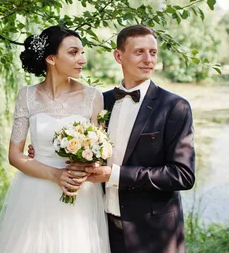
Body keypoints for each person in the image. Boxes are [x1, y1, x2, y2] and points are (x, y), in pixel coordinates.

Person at [69, 24, 196, 253]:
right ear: (118, 56)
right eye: (139, 52)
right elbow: (80, 147)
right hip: (103, 228)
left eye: (153, 52)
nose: (149, 59)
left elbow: (182, 175)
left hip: (154, 233)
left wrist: (115, 174)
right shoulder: (101, 102)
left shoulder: (175, 107)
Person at [0, 25, 110, 253]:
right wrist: (55, 175)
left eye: (82, 52)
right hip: (35, 189)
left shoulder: (93, 97)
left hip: (77, 192)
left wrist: (86, 166)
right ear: (51, 59)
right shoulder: (27, 96)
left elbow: (100, 154)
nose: (82, 59)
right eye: (73, 53)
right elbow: (14, 155)